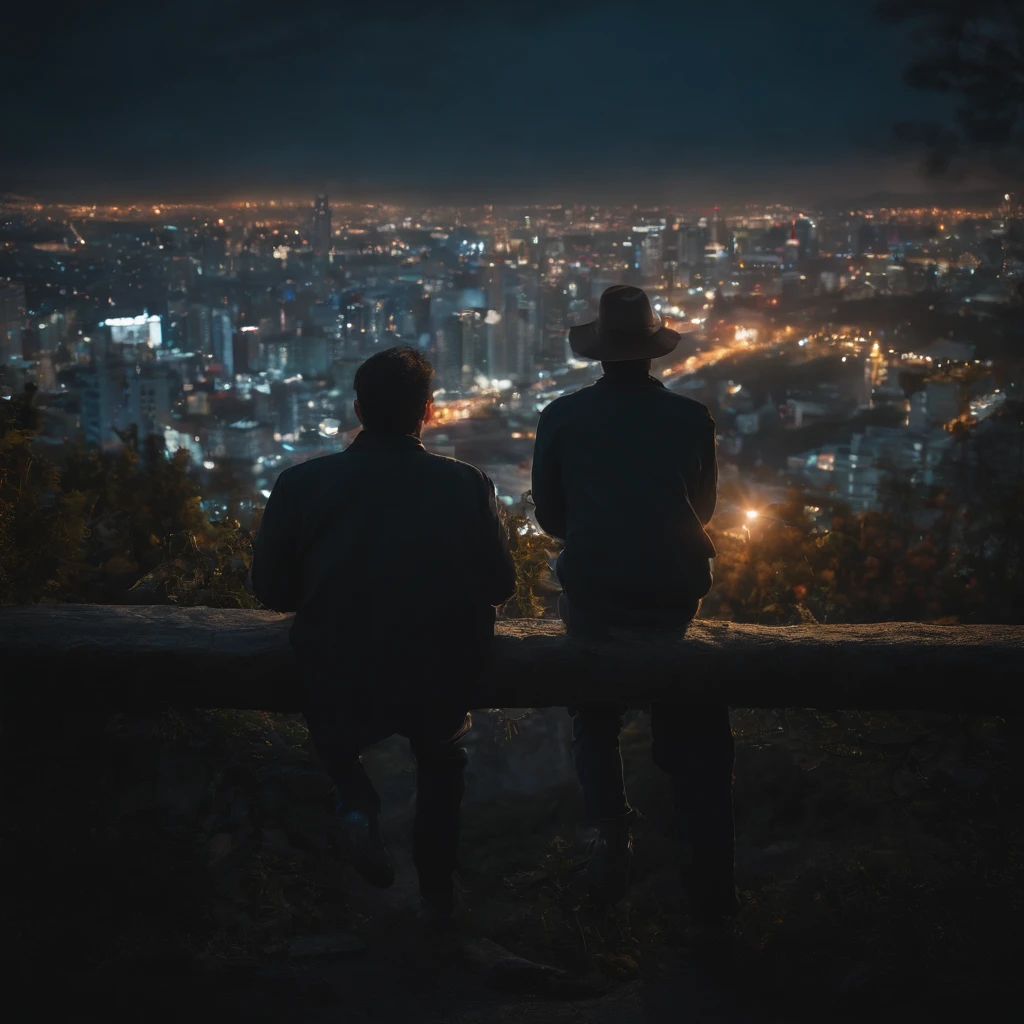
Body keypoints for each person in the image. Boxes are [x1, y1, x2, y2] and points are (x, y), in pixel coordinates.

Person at [251, 346, 516, 928]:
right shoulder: (466, 484)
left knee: (334, 735)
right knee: (442, 758)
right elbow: (500, 584)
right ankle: (438, 896)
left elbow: (270, 589)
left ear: (357, 407)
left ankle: (354, 800)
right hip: (440, 668)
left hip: (338, 665)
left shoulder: (299, 484)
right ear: (427, 412)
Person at [531, 285, 736, 926]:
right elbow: (702, 510)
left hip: (594, 586)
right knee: (677, 688)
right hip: (675, 585)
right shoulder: (691, 416)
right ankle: (692, 834)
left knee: (593, 714)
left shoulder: (561, 415)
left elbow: (549, 517)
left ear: (599, 354)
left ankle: (610, 834)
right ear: (654, 352)